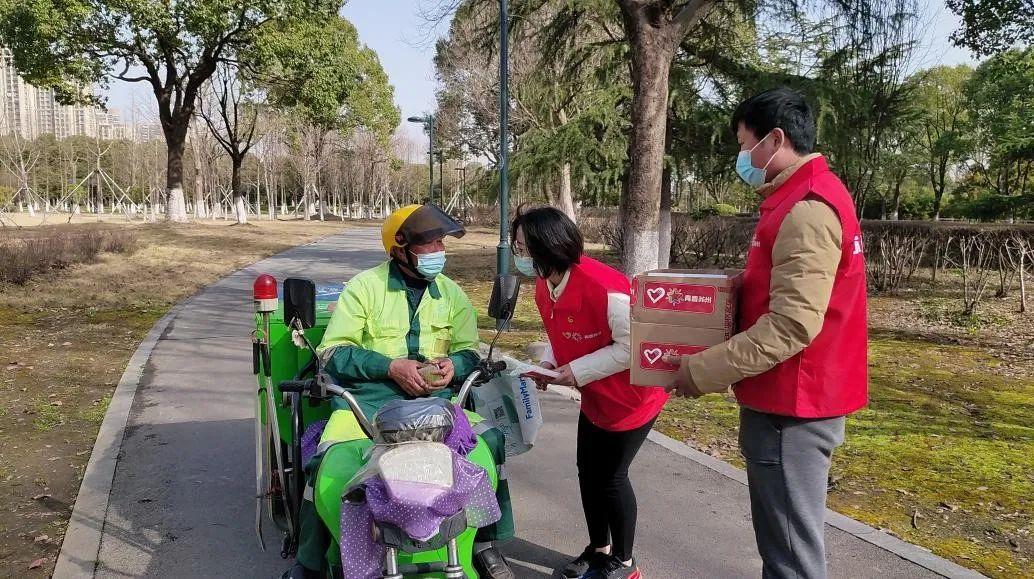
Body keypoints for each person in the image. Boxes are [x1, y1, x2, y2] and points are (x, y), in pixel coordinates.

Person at [663, 87, 868, 579]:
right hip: (787, 399)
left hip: (791, 406)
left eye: (744, 143)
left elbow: (793, 323)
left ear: (775, 139)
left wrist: (700, 370)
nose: (742, 157)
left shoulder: (807, 208)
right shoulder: (800, 197)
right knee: (786, 544)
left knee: (791, 555)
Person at [284, 204, 515, 579]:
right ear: (399, 248)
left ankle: (488, 541)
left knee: (491, 442)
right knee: (325, 463)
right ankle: (309, 560)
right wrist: (390, 367)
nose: (440, 250)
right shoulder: (364, 288)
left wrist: (455, 365)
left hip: (437, 407)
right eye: (431, 243)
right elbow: (333, 353)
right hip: (368, 406)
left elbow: (471, 351)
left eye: (442, 242)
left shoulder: (451, 293)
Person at [512, 206, 669, 579]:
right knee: (587, 472)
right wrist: (550, 365)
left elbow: (634, 346)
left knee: (612, 478)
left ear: (547, 248)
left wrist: (574, 372)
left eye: (522, 248)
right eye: (517, 246)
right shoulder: (544, 284)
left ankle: (625, 563)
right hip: (595, 395)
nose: (518, 255)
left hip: (633, 398)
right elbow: (559, 335)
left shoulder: (605, 289)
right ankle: (600, 548)